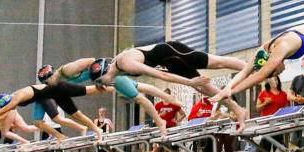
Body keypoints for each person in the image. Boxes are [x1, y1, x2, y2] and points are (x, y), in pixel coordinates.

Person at [91, 41, 248, 129]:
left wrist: (189, 82)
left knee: (217, 63)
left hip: (173, 52)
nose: (101, 86)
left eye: (99, 81)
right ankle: (238, 110)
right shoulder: (114, 70)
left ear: (104, 74)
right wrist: (192, 83)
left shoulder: (126, 64)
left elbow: (161, 75)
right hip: (168, 61)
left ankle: (254, 67)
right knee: (202, 88)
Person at [38, 59, 179, 134]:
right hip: (106, 76)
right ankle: (172, 100)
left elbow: (92, 61)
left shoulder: (67, 70)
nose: (48, 85)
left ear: (51, 76)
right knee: (141, 87)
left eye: (47, 82)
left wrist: (98, 80)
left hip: (108, 75)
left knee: (139, 98)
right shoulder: (62, 75)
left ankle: (160, 122)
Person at [0, 83, 106, 139]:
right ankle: (60, 136)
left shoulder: (17, 97)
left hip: (46, 95)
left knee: (57, 119)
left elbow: (1, 112)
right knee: (37, 122)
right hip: (38, 99)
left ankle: (82, 127)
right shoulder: (10, 100)